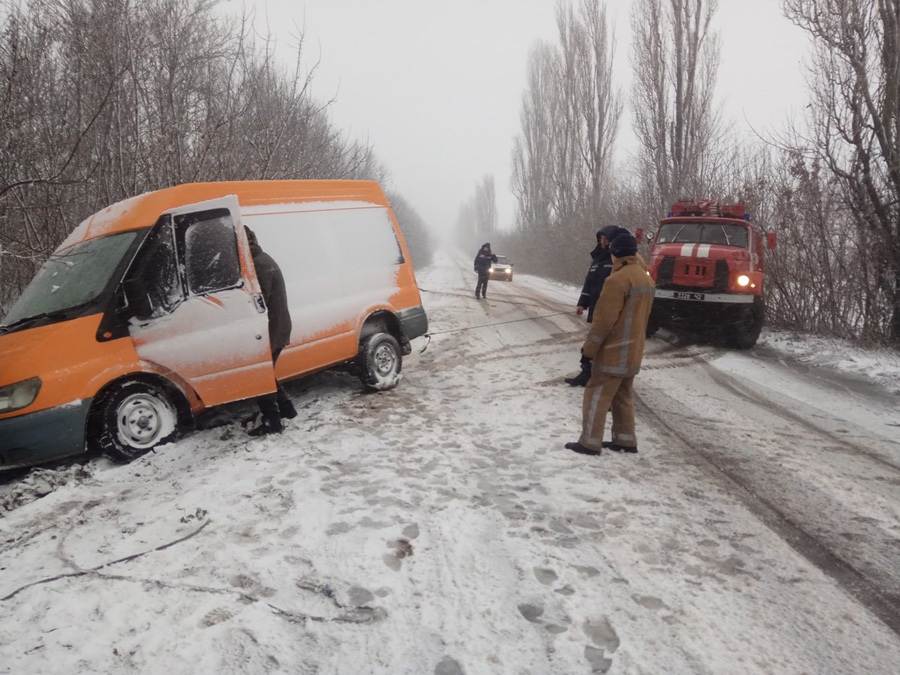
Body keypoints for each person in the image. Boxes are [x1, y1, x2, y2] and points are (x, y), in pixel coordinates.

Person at [565, 230, 655, 456]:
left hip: (614, 351)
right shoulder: (646, 277)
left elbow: (603, 322)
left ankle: (589, 443)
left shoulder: (617, 280)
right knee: (622, 396)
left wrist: (589, 350)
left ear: (615, 253)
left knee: (596, 394)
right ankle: (625, 441)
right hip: (634, 351)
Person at [245, 227, 298, 436]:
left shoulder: (260, 265)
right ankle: (286, 409)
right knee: (266, 374)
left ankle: (272, 422)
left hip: (273, 330)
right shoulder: (261, 259)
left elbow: (260, 303)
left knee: (260, 377)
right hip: (277, 327)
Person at [564, 226, 618, 386]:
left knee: (604, 346)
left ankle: (605, 381)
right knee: (593, 342)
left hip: (610, 312)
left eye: (605, 239)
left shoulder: (617, 260)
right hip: (596, 309)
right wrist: (582, 303)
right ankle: (587, 373)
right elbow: (589, 283)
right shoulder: (597, 259)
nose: (602, 241)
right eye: (601, 239)